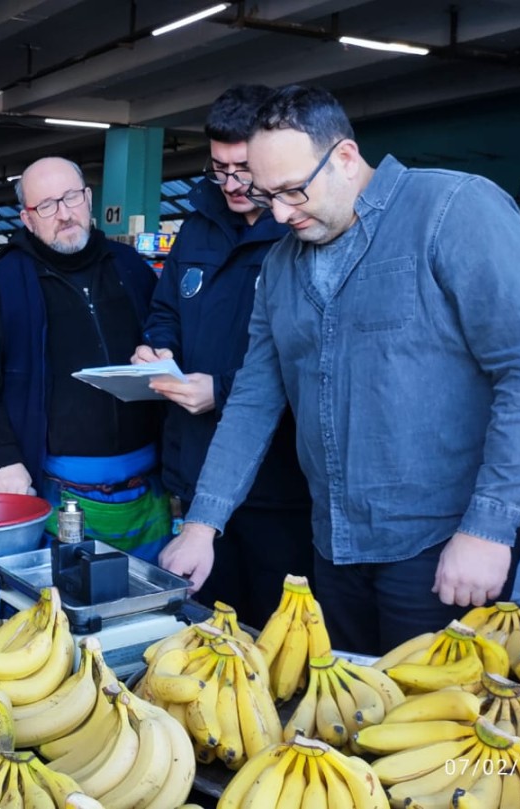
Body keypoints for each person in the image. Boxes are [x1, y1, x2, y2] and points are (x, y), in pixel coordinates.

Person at [158, 86, 520, 654]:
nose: (278, 213)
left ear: (345, 157)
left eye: (291, 191)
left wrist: (489, 528)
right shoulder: (281, 266)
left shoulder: (452, 211)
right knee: (350, 720)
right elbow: (253, 401)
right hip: (332, 546)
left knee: (432, 725)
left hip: (441, 544)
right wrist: (203, 524)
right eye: (265, 194)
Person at [132, 85, 313, 628]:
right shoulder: (197, 226)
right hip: (196, 465)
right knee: (204, 622)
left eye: (244, 170)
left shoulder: (302, 231)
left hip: (279, 485)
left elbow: (309, 359)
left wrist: (223, 390)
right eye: (219, 169)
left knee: (274, 629)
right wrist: (160, 348)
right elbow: (166, 308)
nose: (232, 185)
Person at [0, 156, 170, 560]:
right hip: (56, 483)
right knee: (65, 606)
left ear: (88, 199)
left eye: (71, 198)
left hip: (147, 485)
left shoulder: (130, 268)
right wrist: (2, 460)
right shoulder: (5, 282)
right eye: (46, 206)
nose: (64, 214)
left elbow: (165, 333)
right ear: (27, 218)